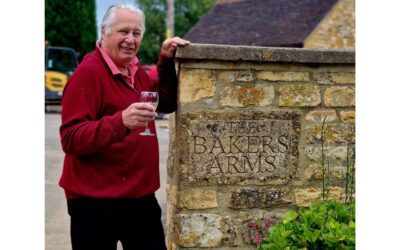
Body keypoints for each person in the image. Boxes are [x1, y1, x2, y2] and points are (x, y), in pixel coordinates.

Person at [59, 3, 190, 250]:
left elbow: (167, 103)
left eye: (136, 33)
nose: (130, 39)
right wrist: (120, 122)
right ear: (105, 31)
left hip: (139, 198)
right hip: (94, 203)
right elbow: (71, 138)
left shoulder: (136, 70)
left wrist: (164, 61)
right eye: (123, 31)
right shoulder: (88, 73)